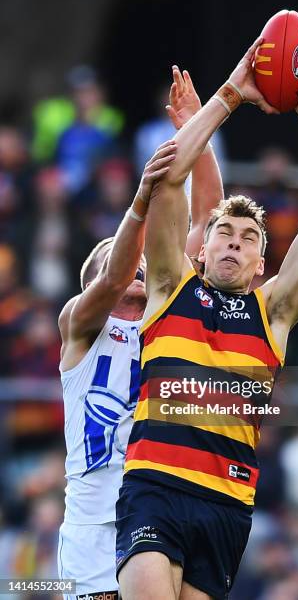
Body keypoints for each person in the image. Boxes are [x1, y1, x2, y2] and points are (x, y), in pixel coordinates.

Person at [116, 37, 298, 600]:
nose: (233, 244)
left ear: (261, 263)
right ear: (202, 248)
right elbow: (169, 177)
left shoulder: (274, 312)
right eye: (222, 232)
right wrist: (231, 93)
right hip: (155, 487)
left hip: (227, 504)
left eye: (248, 240)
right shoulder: (170, 286)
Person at [57, 67, 224, 600]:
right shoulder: (80, 326)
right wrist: (142, 202)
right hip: (94, 525)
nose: (138, 266)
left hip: (160, 512)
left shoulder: (167, 316)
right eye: (122, 258)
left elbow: (208, 217)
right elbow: (110, 276)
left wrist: (196, 129)